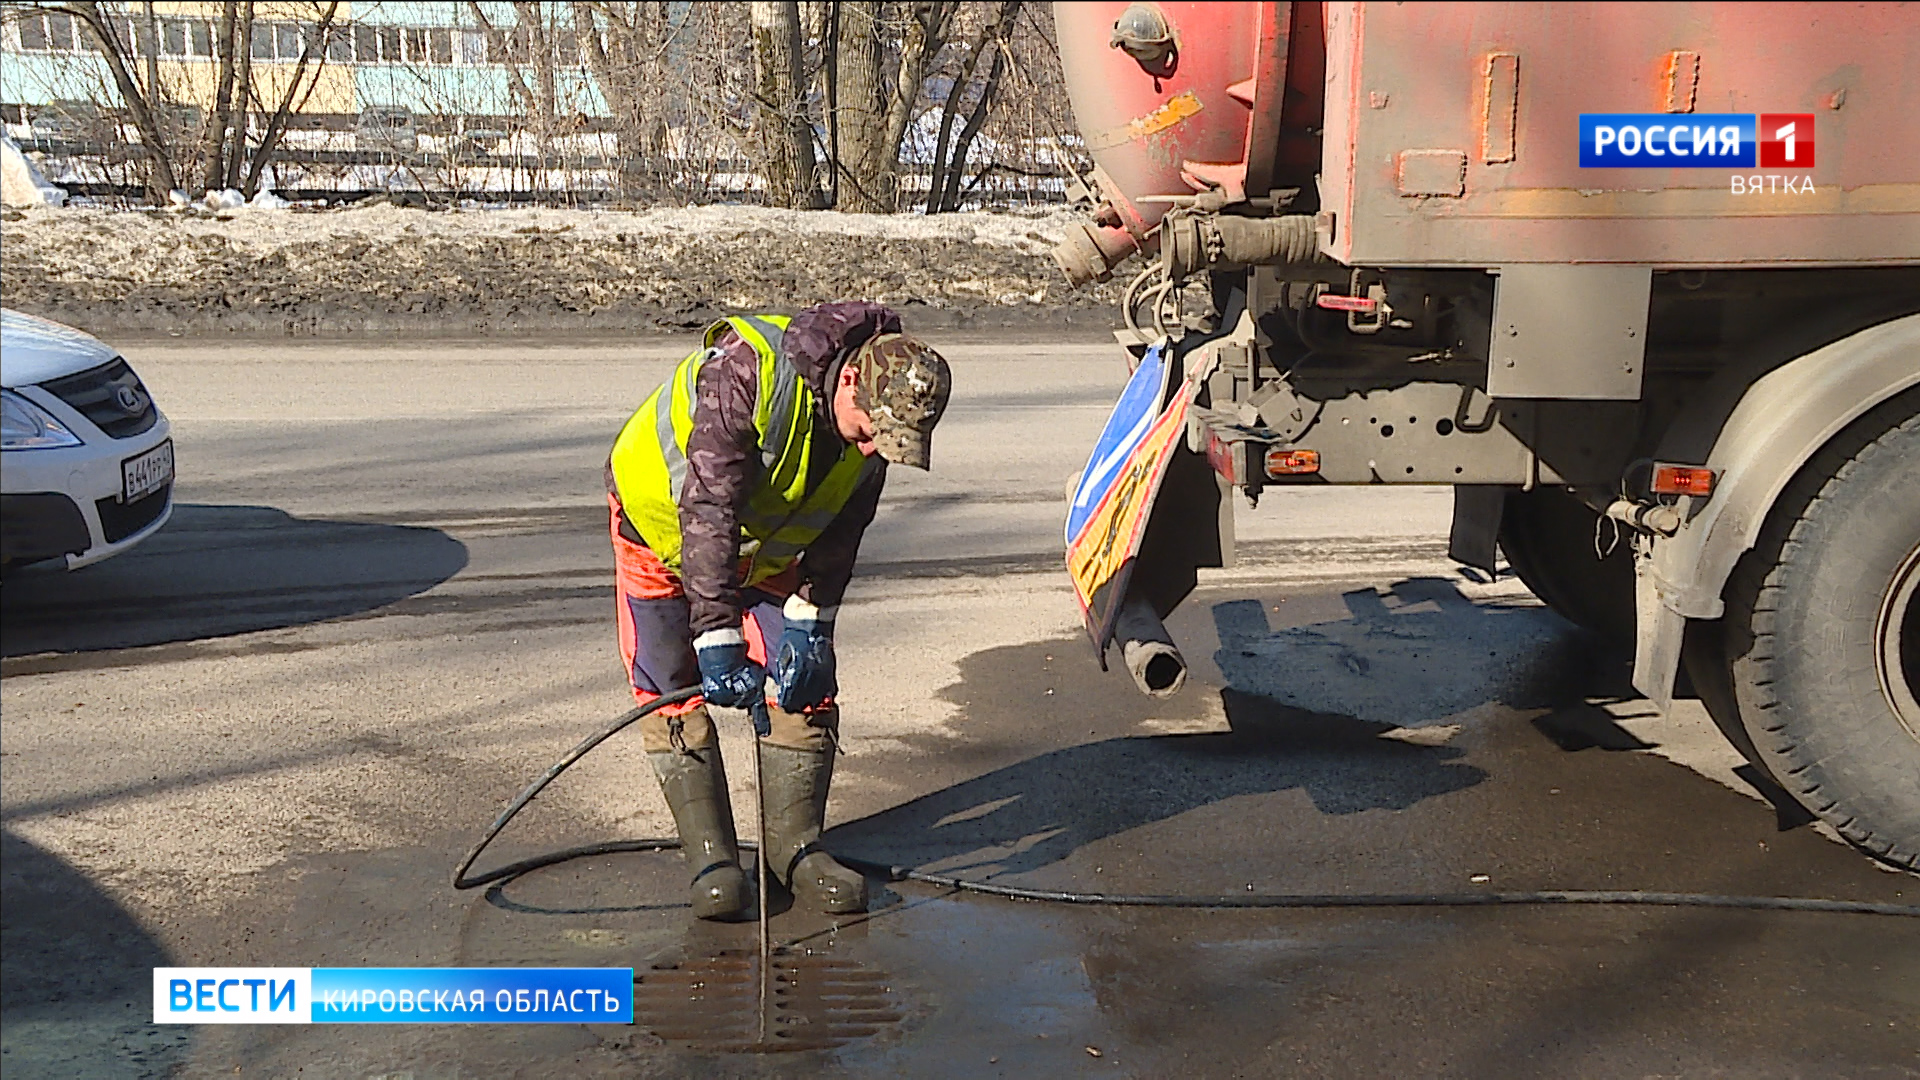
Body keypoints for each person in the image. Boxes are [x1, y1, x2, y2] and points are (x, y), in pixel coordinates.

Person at [605, 303, 951, 920]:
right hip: (657, 527)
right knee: (670, 684)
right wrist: (715, 635)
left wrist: (812, 622)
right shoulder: (748, 373)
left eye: (891, 443)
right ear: (849, 380)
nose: (874, 448)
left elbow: (843, 530)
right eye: (872, 431)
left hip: (765, 547)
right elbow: (709, 508)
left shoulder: (873, 425)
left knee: (807, 684)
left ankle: (795, 847)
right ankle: (711, 857)